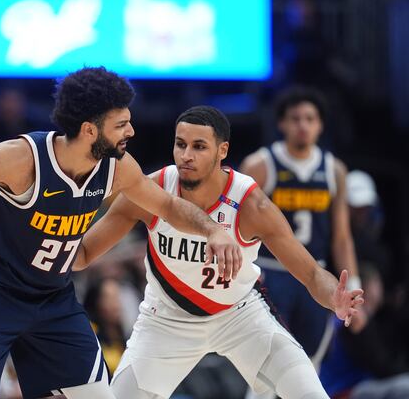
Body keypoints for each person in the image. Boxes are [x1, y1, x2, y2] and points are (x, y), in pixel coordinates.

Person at [0, 67, 241, 399]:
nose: (131, 132)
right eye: (121, 124)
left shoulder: (117, 167)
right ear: (89, 130)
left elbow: (169, 206)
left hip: (51, 297)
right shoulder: (21, 159)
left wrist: (215, 231)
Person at [73, 105, 363, 399]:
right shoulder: (152, 190)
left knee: (310, 393)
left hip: (239, 316)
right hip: (166, 320)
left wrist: (334, 298)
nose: (186, 155)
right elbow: (82, 254)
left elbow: (312, 273)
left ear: (222, 150)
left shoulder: (252, 205)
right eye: (180, 144)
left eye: (199, 146)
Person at [240, 87, 360, 368]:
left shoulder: (334, 170)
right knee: (265, 371)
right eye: (295, 118)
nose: (303, 125)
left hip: (315, 275)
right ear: (282, 123)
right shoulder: (261, 165)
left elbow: (342, 238)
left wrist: (353, 287)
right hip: (270, 273)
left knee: (309, 366)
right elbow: (237, 227)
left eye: (310, 118)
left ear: (320, 124)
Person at [320, 263, 409, 399]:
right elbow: (379, 364)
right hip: (342, 390)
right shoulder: (350, 320)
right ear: (361, 293)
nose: (375, 306)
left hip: (361, 384)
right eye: (372, 300)